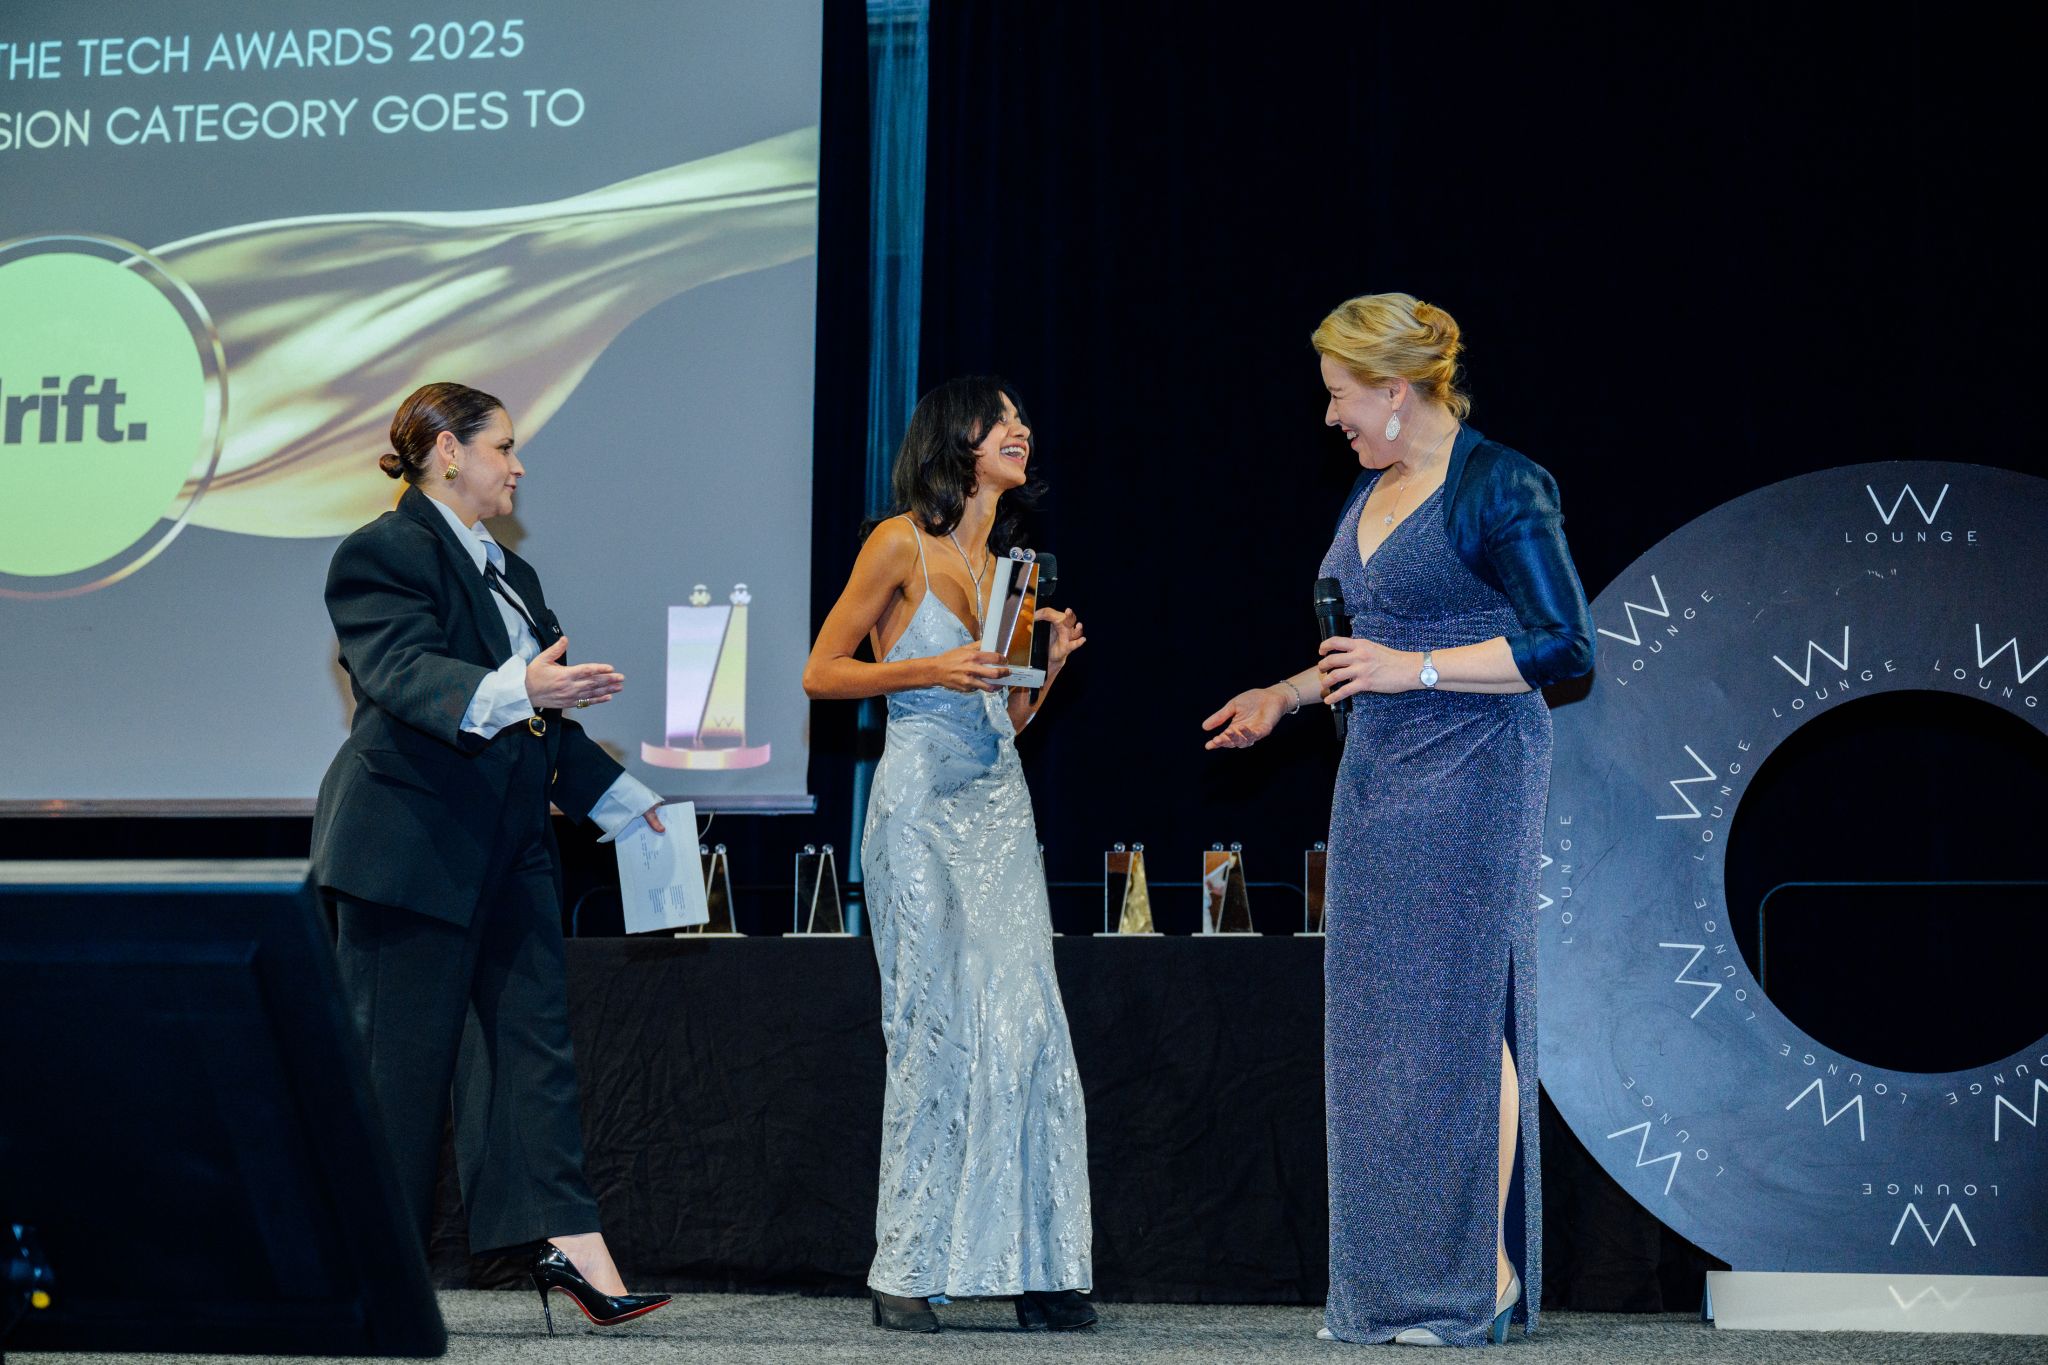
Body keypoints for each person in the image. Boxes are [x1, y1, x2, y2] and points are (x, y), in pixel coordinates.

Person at [1203, 295, 1592, 1346]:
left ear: (1393, 390)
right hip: (1375, 776)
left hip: (1476, 770)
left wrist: (1412, 668)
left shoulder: (1500, 483)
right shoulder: (1369, 487)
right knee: (1378, 1038)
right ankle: (1382, 1288)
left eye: (1339, 394)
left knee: (1457, 1022)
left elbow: (1564, 646)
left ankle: (1476, 1280)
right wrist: (1285, 697)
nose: (1328, 415)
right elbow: (1363, 648)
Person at [310, 382, 672, 1334]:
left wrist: (630, 806)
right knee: (395, 1078)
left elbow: (539, 721)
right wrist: (523, 686)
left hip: (509, 849)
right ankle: (365, 1277)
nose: (518, 465)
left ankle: (577, 1251)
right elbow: (403, 672)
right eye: (503, 446)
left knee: (533, 1052)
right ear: (445, 451)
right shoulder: (382, 552)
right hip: (410, 847)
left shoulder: (512, 573)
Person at [803, 376, 1095, 1334]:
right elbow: (821, 671)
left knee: (1026, 1023)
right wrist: (930, 666)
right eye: (1000, 417)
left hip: (998, 807)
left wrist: (1045, 670)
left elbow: (1005, 717)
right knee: (932, 1027)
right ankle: (907, 1265)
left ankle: (1040, 1265)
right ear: (954, 438)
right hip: (920, 808)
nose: (1020, 427)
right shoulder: (900, 543)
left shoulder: (1014, 569)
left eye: (1022, 416)